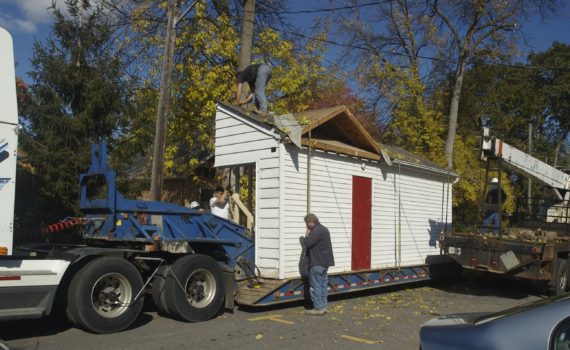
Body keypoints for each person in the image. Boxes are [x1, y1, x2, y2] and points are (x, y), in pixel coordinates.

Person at [303, 213, 334, 316]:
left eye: (307, 224)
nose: (306, 226)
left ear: (311, 221)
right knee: (322, 285)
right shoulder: (324, 229)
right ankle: (323, 306)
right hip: (325, 263)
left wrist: (307, 235)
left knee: (315, 285)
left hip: (317, 262)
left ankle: (318, 308)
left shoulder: (316, 231)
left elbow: (308, 243)